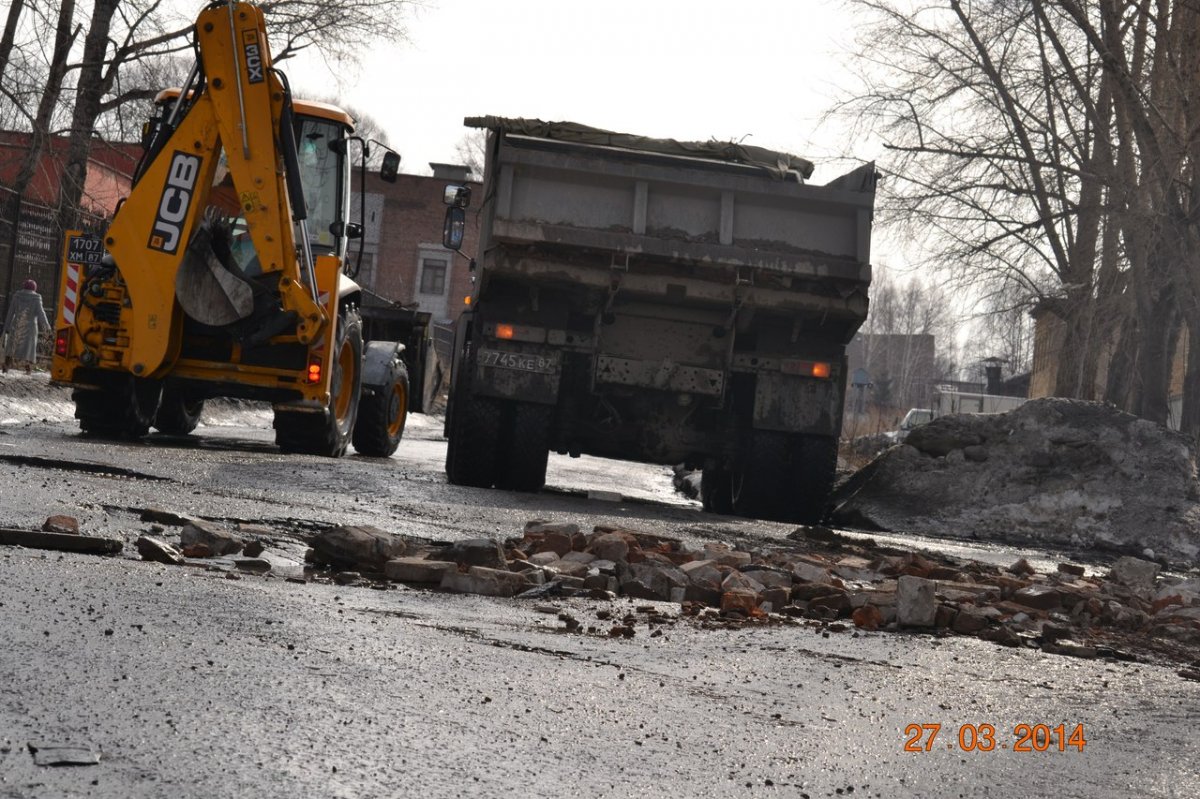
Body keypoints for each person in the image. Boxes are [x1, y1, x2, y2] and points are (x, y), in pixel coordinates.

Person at [3, 279, 51, 374]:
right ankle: (28, 369)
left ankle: (6, 367)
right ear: (34, 288)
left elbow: (10, 313)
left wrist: (7, 328)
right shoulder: (36, 299)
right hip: (30, 328)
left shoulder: (17, 296)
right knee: (29, 349)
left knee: (11, 347)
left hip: (16, 325)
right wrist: (47, 328)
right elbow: (42, 314)